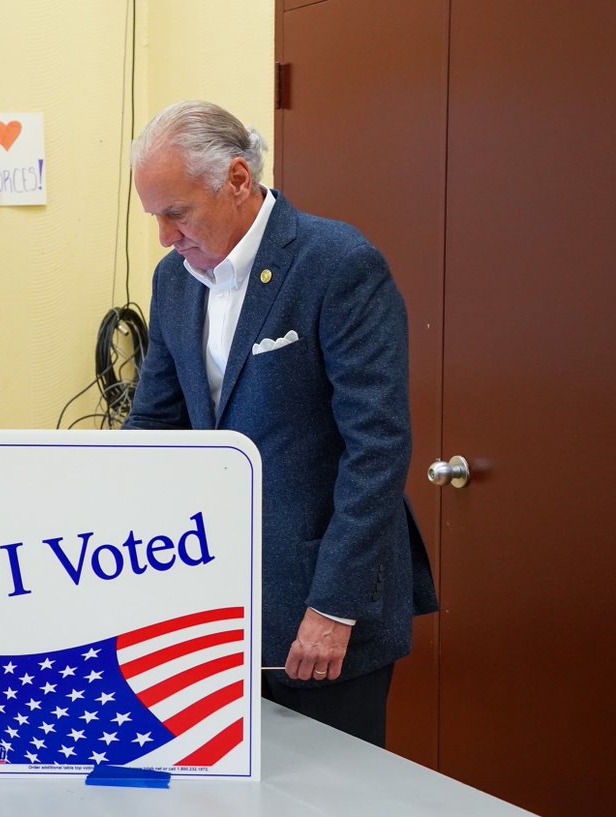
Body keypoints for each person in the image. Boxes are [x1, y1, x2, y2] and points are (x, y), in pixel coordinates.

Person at [125, 100, 437, 747]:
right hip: (216, 599)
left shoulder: (337, 264)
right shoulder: (174, 282)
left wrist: (333, 605)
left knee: (332, 798)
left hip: (322, 609)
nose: (164, 235)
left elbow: (376, 448)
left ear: (238, 180)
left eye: (176, 213)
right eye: (154, 216)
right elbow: (155, 424)